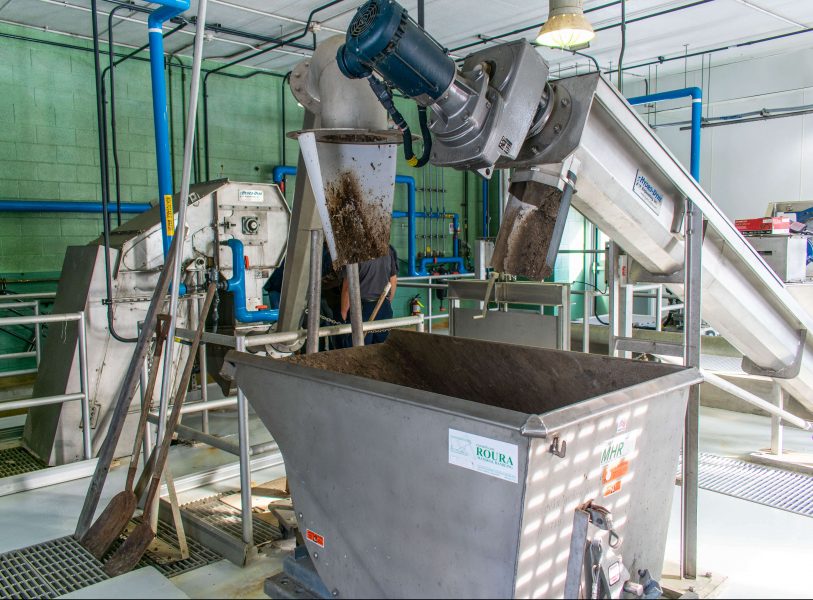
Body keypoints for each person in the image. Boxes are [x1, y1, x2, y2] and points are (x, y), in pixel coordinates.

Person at [337, 245, 398, 348]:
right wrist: (387, 302)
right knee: (382, 348)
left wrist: (343, 314)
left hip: (361, 308)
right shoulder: (388, 249)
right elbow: (393, 281)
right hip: (383, 305)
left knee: (359, 349)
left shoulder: (354, 252)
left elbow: (347, 289)